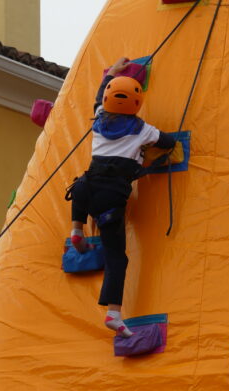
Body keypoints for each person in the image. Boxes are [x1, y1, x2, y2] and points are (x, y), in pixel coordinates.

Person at [67, 57, 176, 337]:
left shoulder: (100, 117)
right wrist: (150, 155)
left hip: (84, 189)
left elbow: (98, 96)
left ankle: (77, 230)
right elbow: (168, 142)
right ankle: (113, 314)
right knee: (118, 258)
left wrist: (111, 74)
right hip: (108, 199)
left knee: (80, 188)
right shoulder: (142, 130)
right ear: (136, 104)